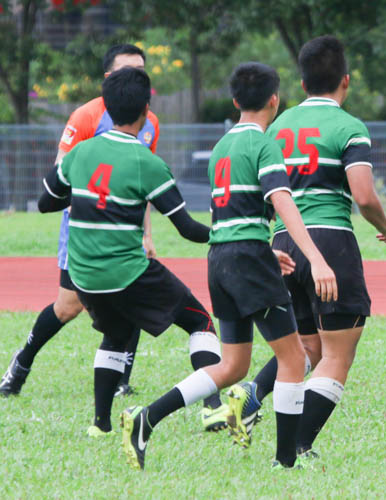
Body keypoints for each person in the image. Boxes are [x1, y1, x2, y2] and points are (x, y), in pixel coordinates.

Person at [120, 62, 337, 471]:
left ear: (235, 101)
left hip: (220, 259)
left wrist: (260, 249)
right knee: (294, 359)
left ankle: (145, 417)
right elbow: (283, 203)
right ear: (275, 100)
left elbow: (231, 215)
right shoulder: (263, 143)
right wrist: (316, 257)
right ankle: (285, 462)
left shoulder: (222, 146)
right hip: (246, 261)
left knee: (233, 364)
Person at [36, 67, 225, 437]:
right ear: (146, 110)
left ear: (105, 107)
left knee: (117, 333)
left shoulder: (80, 153)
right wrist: (227, 233)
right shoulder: (147, 163)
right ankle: (213, 408)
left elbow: (46, 202)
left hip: (83, 276)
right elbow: (187, 228)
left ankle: (100, 425)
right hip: (127, 273)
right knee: (200, 322)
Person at [240, 35, 386, 458]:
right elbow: (363, 196)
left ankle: (252, 394)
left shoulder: (279, 124)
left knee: (306, 346)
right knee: (336, 355)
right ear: (345, 81)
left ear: (303, 82)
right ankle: (297, 447)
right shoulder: (349, 127)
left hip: (282, 243)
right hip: (329, 243)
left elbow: (261, 190)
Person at [1, 44, 157, 404]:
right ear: (108, 79)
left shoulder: (150, 122)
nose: (136, 80)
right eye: (126, 72)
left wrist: (147, 233)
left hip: (126, 231)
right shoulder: (86, 116)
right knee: (69, 306)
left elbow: (143, 181)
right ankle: (20, 364)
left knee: (130, 296)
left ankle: (120, 381)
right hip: (84, 230)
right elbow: (60, 175)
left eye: (142, 74)